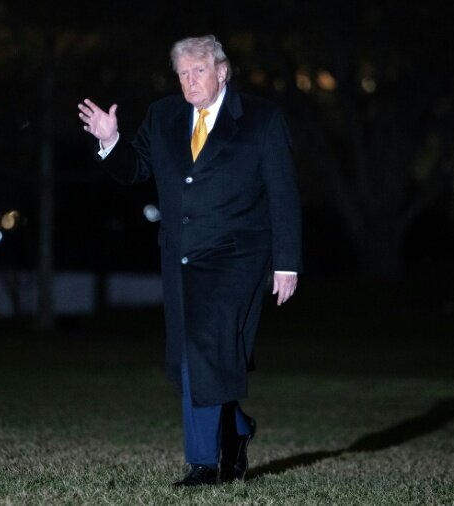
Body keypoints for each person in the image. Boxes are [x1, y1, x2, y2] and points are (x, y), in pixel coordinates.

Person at [78, 34, 302, 486]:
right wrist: (111, 141)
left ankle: (203, 464)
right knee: (187, 363)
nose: (190, 80)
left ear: (222, 71)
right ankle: (236, 429)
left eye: (199, 70)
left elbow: (283, 194)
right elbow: (136, 170)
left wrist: (287, 263)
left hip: (238, 256)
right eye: (182, 72)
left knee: (204, 350)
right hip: (180, 255)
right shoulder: (163, 116)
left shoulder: (261, 119)